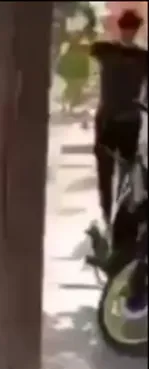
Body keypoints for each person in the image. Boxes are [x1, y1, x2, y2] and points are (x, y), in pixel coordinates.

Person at [90, 9, 147, 225]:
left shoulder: (138, 57)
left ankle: (116, 217)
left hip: (126, 119)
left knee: (126, 172)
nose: (128, 33)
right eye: (126, 29)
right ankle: (107, 214)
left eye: (131, 29)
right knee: (107, 171)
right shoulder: (107, 50)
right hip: (109, 119)